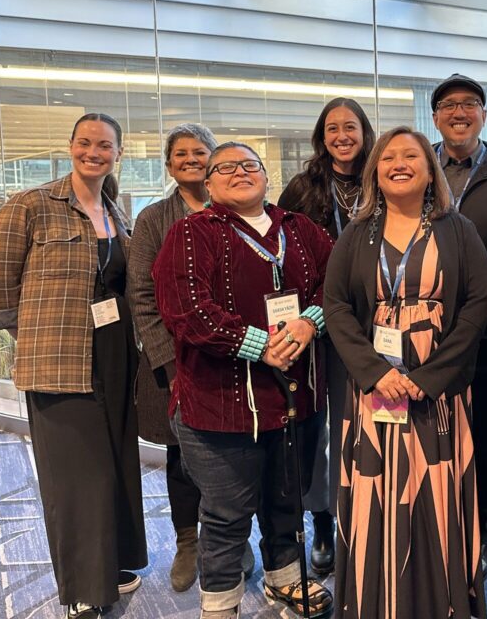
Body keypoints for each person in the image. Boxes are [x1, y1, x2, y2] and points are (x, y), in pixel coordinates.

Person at [153, 142, 335, 619]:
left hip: (298, 397)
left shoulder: (299, 229)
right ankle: (220, 601)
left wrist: (308, 322)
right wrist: (261, 344)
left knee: (287, 500)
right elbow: (186, 310)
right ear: (207, 184)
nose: (239, 172)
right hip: (221, 406)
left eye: (249, 165)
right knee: (226, 514)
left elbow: (335, 283)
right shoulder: (191, 233)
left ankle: (284, 580)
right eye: (224, 167)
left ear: (266, 177)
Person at [0, 113, 146, 619]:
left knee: (116, 462)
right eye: (85, 143)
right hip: (57, 356)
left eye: (105, 145)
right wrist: (36, 334)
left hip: (115, 351)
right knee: (76, 476)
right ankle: (82, 590)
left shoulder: (117, 209)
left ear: (119, 152)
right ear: (71, 146)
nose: (94, 152)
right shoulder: (31, 205)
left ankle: (114, 563)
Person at [324, 126, 487, 619]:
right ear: (375, 169)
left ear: (429, 167)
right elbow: (335, 307)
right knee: (376, 496)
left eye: (411, 155)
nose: (399, 163)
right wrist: (375, 373)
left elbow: (478, 308)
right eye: (389, 156)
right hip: (375, 392)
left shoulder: (458, 229)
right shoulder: (357, 234)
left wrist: (430, 377)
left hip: (437, 395)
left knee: (435, 497)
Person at [128, 123, 235, 592]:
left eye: (201, 152)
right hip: (174, 363)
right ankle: (189, 540)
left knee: (235, 453)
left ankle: (229, 538)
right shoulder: (153, 218)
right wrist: (172, 367)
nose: (192, 160)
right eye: (181, 155)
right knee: (183, 457)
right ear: (169, 165)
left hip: (234, 357)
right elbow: (142, 297)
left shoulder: (236, 209)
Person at [277, 97, 376, 575]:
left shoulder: (382, 177)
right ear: (322, 135)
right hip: (317, 320)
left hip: (377, 321)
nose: (342, 136)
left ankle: (370, 514)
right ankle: (322, 520)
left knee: (370, 420)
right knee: (318, 428)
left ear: (364, 131)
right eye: (333, 128)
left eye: (350, 127)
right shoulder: (302, 187)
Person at [430, 73, 487, 570]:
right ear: (436, 117)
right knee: (431, 432)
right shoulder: (419, 166)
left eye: (469, 104)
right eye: (448, 105)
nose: (459, 112)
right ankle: (436, 529)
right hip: (425, 332)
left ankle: (480, 538)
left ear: (484, 115)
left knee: (486, 438)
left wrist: (473, 304)